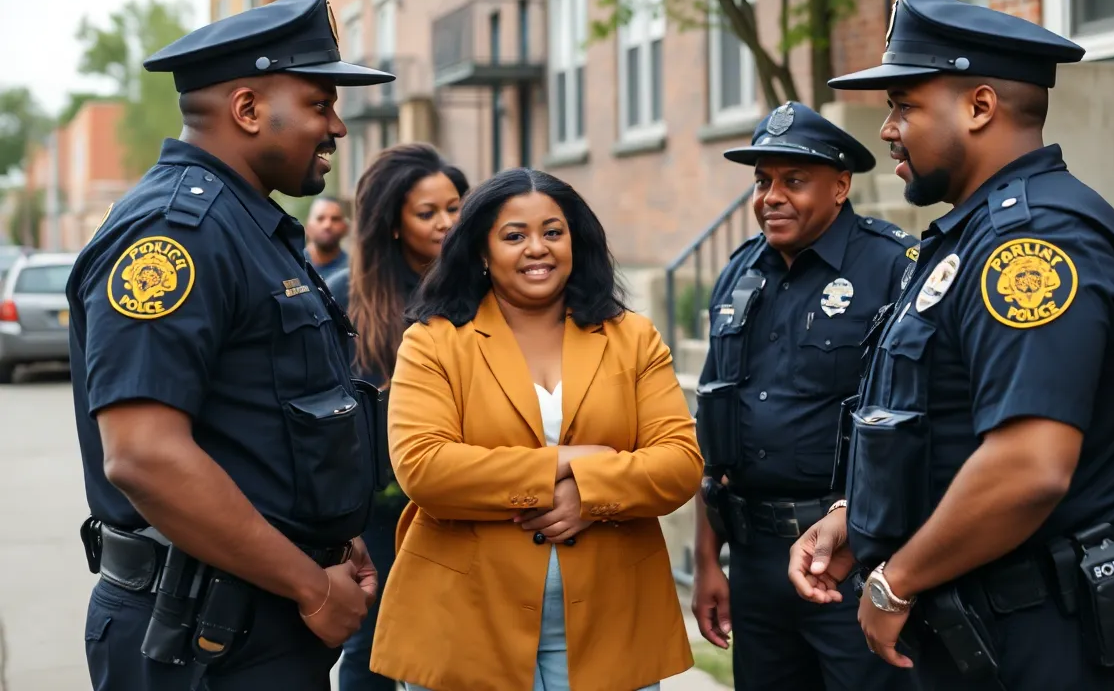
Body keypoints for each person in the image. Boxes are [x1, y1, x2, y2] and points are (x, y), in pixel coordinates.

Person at [787, 0, 1114, 690]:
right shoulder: (974, 237)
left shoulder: (1031, 246)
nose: (886, 130)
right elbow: (946, 421)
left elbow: (1028, 467)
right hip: (996, 628)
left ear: (978, 107)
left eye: (905, 106)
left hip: (1046, 641)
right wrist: (859, 517)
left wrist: (895, 582)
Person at [67, 0, 395, 691]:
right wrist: (310, 584)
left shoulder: (249, 227)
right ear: (247, 110)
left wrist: (333, 539)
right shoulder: (174, 236)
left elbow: (262, 423)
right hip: (199, 635)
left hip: (258, 613)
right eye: (318, 103)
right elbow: (145, 456)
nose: (336, 126)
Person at [367, 168, 703, 691]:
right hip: (464, 626)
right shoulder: (433, 342)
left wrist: (590, 496)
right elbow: (425, 469)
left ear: (576, 241)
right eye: (514, 236)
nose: (537, 249)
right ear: (481, 250)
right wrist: (570, 461)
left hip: (612, 624)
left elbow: (680, 463)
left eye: (552, 232)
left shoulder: (633, 337)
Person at [691, 101, 918, 691]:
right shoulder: (739, 273)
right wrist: (707, 560)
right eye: (763, 181)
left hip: (852, 555)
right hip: (755, 554)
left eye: (793, 180)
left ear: (841, 186)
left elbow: (916, 420)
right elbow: (714, 428)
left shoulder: (894, 266)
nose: (771, 196)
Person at [326, 143, 469, 691]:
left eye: (454, 207)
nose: (447, 223)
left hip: (465, 492)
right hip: (382, 507)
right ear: (392, 223)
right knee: (377, 637)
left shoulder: (479, 288)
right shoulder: (349, 298)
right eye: (427, 213)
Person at [304, 196, 350, 281]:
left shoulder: (353, 271)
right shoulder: (293, 265)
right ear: (308, 227)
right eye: (320, 218)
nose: (327, 225)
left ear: (346, 228)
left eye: (335, 219)